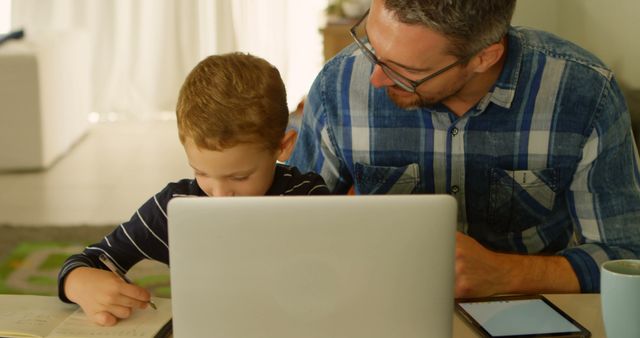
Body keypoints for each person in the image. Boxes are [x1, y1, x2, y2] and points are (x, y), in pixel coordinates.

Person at [288, 0, 640, 298]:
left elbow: (627, 257)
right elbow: (291, 233)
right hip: (377, 302)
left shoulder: (584, 94)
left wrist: (506, 274)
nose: (373, 79)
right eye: (372, 45)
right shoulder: (337, 86)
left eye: (405, 70)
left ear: (484, 58)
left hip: (528, 309)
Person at [57, 53, 330, 326]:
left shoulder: (307, 197)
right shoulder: (174, 208)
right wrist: (79, 282)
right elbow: (92, 259)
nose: (220, 194)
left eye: (240, 176)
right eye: (201, 172)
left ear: (282, 147)